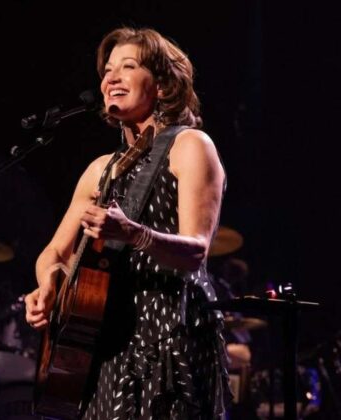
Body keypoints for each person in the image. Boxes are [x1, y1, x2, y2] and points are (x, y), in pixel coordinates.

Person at [25, 26, 232, 419]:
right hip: (106, 348)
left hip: (169, 340)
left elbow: (196, 252)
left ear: (163, 84)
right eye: (108, 70)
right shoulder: (100, 170)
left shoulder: (190, 146)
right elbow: (53, 253)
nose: (112, 78)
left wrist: (134, 234)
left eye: (129, 66)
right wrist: (48, 283)